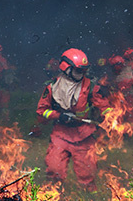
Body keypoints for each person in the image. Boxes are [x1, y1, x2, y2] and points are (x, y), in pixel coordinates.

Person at [36, 48, 112, 192]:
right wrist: (58, 116)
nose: (81, 74)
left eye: (83, 71)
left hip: (83, 135)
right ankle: (51, 198)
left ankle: (91, 198)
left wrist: (111, 117)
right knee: (54, 169)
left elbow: (103, 106)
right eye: (78, 71)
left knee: (87, 174)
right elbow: (41, 110)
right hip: (60, 135)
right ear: (66, 69)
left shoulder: (90, 87)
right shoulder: (52, 87)